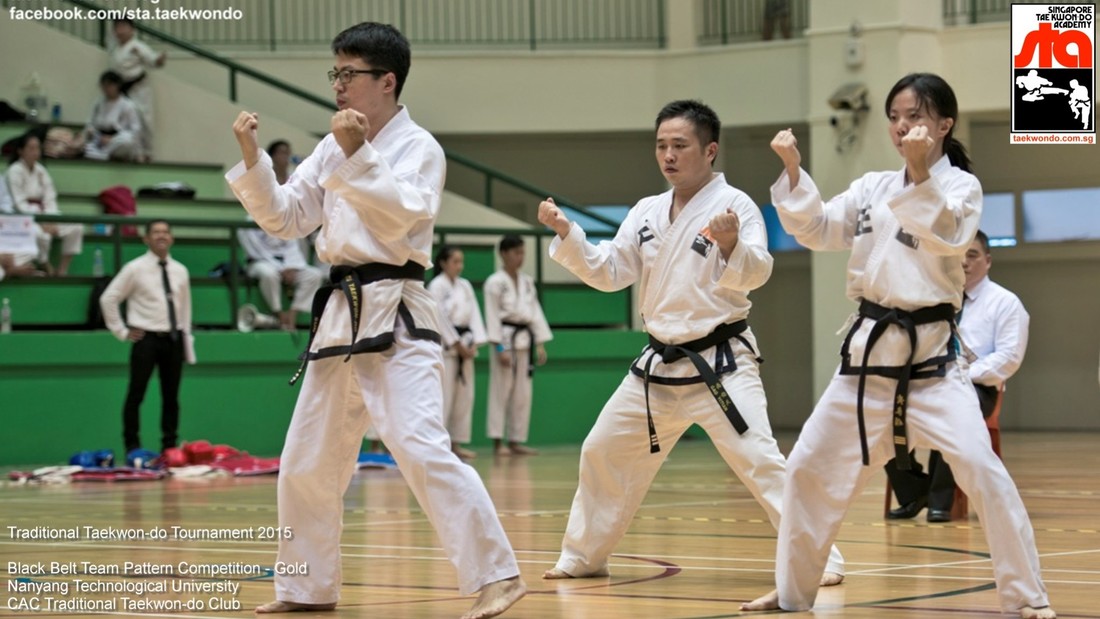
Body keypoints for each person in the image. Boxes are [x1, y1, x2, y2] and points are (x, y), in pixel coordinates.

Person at [225, 21, 525, 619]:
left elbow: (400, 220)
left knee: (418, 445)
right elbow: (287, 219)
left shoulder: (420, 148)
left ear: (386, 81)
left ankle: (498, 576)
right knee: (307, 461)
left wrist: (358, 154)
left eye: (349, 74)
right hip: (341, 316)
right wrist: (255, 162)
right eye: (334, 73)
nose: (338, 86)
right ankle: (305, 589)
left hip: (397, 313)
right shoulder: (331, 147)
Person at [742, 73, 1055, 619]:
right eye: (894, 117)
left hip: (933, 365)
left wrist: (916, 173)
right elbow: (817, 229)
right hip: (866, 364)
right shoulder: (870, 187)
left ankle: (1026, 600)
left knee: (982, 471)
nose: (901, 126)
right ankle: (792, 595)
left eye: (913, 116)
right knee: (806, 469)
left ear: (944, 125)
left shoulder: (961, 187)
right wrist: (794, 171)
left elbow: (948, 237)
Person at [537, 99, 844, 586]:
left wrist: (730, 245)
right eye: (661, 145)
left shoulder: (736, 206)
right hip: (657, 368)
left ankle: (820, 559)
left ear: (710, 150)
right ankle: (584, 555)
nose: (668, 155)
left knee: (760, 461)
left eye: (680, 145)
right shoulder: (646, 212)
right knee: (601, 450)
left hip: (719, 365)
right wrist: (568, 234)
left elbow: (758, 271)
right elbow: (610, 272)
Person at [884, 229, 1029, 522]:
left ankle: (941, 500)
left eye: (972, 255)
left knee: (954, 407)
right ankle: (913, 490)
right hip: (927, 380)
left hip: (979, 387)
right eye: (957, 254)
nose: (963, 261)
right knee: (881, 408)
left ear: (987, 260)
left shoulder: (1005, 302)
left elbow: (1009, 358)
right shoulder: (934, 299)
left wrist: (959, 374)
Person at [99, 220, 194, 454]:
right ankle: (132, 447)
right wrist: (121, 331)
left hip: (173, 339)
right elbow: (108, 298)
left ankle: (169, 447)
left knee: (171, 397)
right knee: (136, 393)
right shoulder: (135, 268)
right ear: (147, 239)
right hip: (146, 339)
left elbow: (185, 309)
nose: (161, 236)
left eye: (165, 232)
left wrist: (186, 341)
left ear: (171, 238)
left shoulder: (180, 270)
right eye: (156, 232)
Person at [483, 235, 552, 456]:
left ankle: (516, 440)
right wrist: (499, 347)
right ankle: (497, 441)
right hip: (505, 341)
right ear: (504, 254)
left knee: (523, 394)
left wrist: (539, 343)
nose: (520, 257)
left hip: (525, 341)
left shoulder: (527, 282)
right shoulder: (494, 282)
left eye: (522, 252)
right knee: (500, 392)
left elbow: (535, 313)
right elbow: (492, 316)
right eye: (516, 253)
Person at [427, 244, 488, 460]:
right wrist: (455, 343)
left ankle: (457, 443)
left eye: (461, 261)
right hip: (447, 349)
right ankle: (439, 444)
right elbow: (438, 318)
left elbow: (474, 316)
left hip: (466, 344)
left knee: (465, 397)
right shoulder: (436, 285)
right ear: (443, 263)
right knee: (444, 396)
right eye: (455, 261)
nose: (460, 266)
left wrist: (474, 344)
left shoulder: (465, 286)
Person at [5, 134, 83, 276]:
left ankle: (63, 269)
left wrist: (51, 219)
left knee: (76, 226)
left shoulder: (41, 170)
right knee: (39, 233)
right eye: (31, 148)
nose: (35, 152)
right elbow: (18, 203)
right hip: (23, 218)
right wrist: (40, 221)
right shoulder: (13, 171)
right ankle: (44, 263)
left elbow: (50, 197)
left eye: (38, 148)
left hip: (46, 214)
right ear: (20, 151)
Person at [238, 223, 325, 331]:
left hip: (286, 262)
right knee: (269, 274)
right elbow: (256, 252)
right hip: (259, 262)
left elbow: (292, 245)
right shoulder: (248, 223)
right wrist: (281, 268)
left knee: (315, 275)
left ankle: (293, 313)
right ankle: (278, 313)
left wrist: (291, 266)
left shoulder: (282, 215)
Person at [109, 18, 165, 161]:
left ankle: (147, 153)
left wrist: (159, 60)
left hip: (139, 88)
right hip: (122, 89)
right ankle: (134, 153)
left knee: (144, 119)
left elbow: (152, 60)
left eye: (124, 27)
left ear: (132, 29)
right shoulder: (115, 49)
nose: (120, 31)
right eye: (118, 27)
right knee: (127, 121)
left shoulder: (137, 46)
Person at [83, 70, 144, 162]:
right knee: (83, 145)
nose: (106, 89)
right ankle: (102, 154)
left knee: (127, 141)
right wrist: (94, 134)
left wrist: (111, 139)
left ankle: (107, 155)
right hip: (99, 140)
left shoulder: (128, 105)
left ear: (117, 86)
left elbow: (135, 130)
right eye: (103, 86)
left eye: (109, 86)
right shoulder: (98, 103)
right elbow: (90, 123)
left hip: (117, 140)